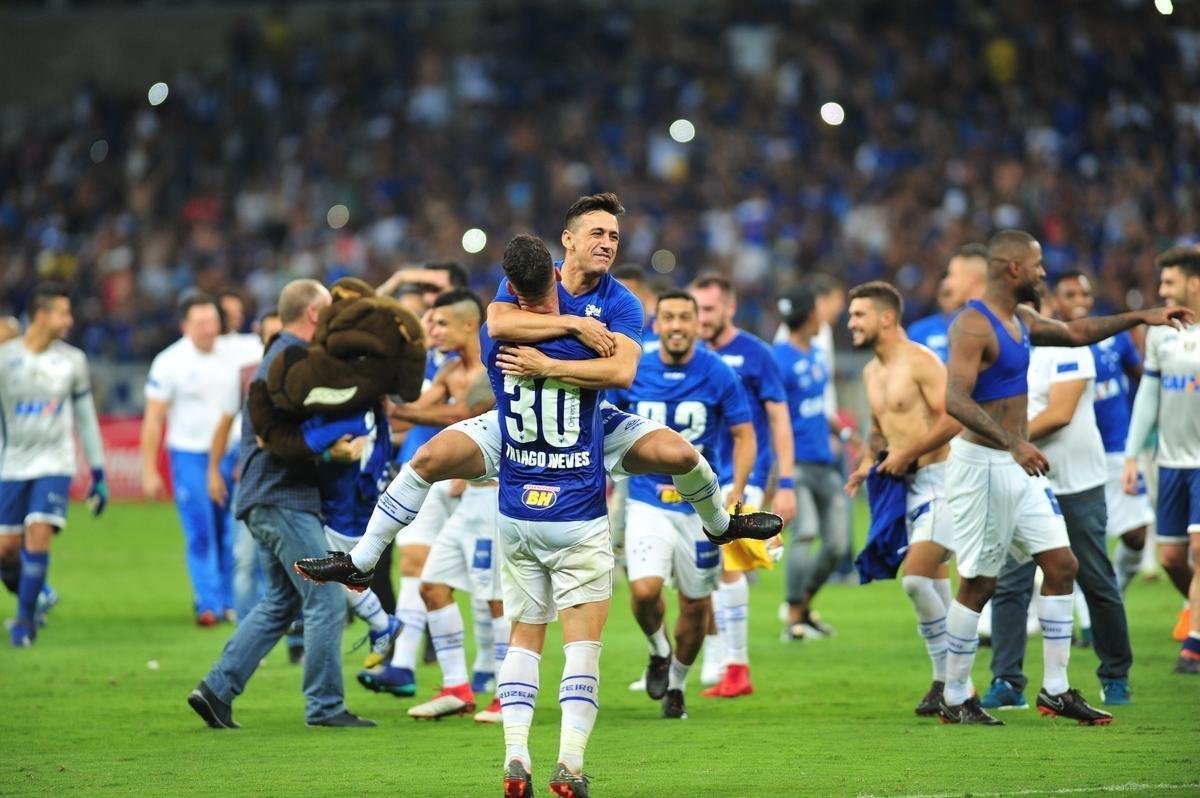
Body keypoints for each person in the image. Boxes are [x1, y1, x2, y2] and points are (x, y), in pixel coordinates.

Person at [296, 195, 782, 590]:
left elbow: (621, 373)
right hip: (517, 420)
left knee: (683, 455)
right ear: (568, 240)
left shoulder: (622, 302)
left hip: (587, 421)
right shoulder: (534, 277)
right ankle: (361, 562)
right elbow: (497, 321)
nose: (607, 244)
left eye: (614, 236)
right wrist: (573, 325)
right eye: (597, 233)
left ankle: (720, 526)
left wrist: (548, 364)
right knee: (426, 460)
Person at [939, 228, 1189, 725]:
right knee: (979, 583)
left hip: (1016, 465)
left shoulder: (1020, 318)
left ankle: (1055, 689)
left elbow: (1076, 333)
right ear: (1014, 268)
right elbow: (955, 400)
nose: (1042, 273)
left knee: (1061, 565)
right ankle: (953, 695)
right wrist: (1014, 442)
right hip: (983, 466)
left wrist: (1141, 316)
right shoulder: (972, 324)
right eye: (1036, 265)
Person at [187, 278, 378, 729]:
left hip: (269, 495)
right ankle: (325, 706)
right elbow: (273, 435)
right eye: (328, 310)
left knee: (280, 602)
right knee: (325, 595)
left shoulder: (283, 357)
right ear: (313, 313)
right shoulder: (291, 361)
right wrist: (330, 451)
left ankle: (216, 690)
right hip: (282, 496)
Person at [980, 283, 1133, 712]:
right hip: (1025, 482)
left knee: (1095, 578)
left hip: (1075, 482)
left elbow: (1060, 413)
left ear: (1041, 309)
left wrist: (1003, 439)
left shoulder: (1069, 348)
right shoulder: (1004, 355)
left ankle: (1115, 674)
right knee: (1011, 582)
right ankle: (1007, 680)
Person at [612, 290, 755, 720]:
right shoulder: (636, 368)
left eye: (684, 318)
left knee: (695, 604)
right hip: (647, 500)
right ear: (657, 325)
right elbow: (605, 423)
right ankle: (658, 650)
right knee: (644, 590)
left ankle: (676, 685)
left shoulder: (717, 371)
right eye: (668, 318)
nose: (676, 326)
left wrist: (737, 489)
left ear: (697, 325)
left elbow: (744, 434)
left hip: (700, 507)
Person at [843, 281, 962, 716]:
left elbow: (955, 418)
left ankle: (952, 681)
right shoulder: (870, 372)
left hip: (945, 481)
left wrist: (907, 453)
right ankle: (952, 683)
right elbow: (880, 429)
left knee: (914, 579)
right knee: (934, 584)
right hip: (905, 487)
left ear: (886, 317)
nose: (851, 323)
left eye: (859, 315)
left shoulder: (921, 361)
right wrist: (866, 463)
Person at [690, 272, 794, 695]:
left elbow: (779, 420)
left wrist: (786, 483)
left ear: (730, 308)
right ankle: (717, 654)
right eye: (696, 309)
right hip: (697, 478)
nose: (701, 318)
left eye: (709, 309)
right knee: (702, 570)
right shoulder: (689, 354)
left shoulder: (755, 354)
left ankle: (735, 665)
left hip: (742, 476)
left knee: (726, 562)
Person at [0, 283, 107, 646]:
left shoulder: (73, 361)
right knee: (6, 549)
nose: (69, 320)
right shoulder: (5, 358)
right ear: (42, 315)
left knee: (39, 529)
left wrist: (98, 472)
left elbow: (86, 418)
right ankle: (36, 595)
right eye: (63, 313)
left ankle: (24, 621)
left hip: (55, 461)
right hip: (12, 462)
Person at [142, 293, 248, 625]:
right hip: (189, 455)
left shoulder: (239, 351)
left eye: (212, 321)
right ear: (185, 326)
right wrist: (148, 470)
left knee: (230, 531)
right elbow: (154, 418)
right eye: (200, 323)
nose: (208, 329)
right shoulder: (169, 362)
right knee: (201, 530)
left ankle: (230, 601)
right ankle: (208, 602)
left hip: (232, 454)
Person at [1122, 246, 1200, 674]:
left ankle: (1194, 647)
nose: (1163, 290)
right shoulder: (1160, 334)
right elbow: (1148, 395)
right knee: (1171, 558)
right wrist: (1132, 455)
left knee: (1199, 549)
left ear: (1195, 284)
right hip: (1170, 463)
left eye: (1170, 282)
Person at [1051, 272, 1153, 592]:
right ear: (1055, 301)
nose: (1080, 301)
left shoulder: (1113, 337)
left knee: (1136, 537)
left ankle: (1113, 592)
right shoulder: (1047, 344)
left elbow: (1143, 377)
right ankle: (1083, 609)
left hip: (1117, 448)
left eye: (1084, 294)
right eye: (1070, 295)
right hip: (1073, 452)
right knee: (1071, 543)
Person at [773, 286, 851, 640]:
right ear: (810, 317)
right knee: (805, 533)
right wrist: (779, 471)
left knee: (836, 544)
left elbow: (819, 408)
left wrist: (845, 434)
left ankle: (803, 607)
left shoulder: (817, 354)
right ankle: (793, 617)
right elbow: (773, 417)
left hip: (825, 460)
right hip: (797, 464)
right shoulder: (778, 359)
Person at [907, 244, 989, 362]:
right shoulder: (920, 331)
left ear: (971, 280)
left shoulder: (999, 328)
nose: (945, 283)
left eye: (951, 275)